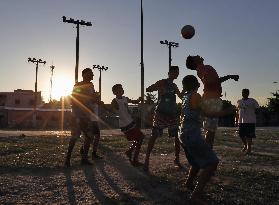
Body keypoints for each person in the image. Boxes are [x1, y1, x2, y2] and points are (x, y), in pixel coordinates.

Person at [179, 75, 231, 204]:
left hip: (183, 134)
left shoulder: (185, 97)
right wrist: (226, 111)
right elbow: (208, 113)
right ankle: (196, 195)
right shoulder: (196, 96)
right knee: (212, 162)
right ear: (196, 85)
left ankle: (189, 183)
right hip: (192, 135)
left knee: (196, 163)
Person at [186, 55, 239, 148]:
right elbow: (210, 81)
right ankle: (207, 153)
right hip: (210, 99)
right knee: (210, 130)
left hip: (212, 98)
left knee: (211, 130)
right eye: (195, 57)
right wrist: (229, 76)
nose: (198, 55)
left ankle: (207, 152)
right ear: (195, 62)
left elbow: (214, 81)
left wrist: (229, 77)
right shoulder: (201, 69)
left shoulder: (204, 68)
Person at [143, 66, 182, 171]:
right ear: (169, 73)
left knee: (177, 137)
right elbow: (148, 89)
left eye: (177, 73)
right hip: (160, 113)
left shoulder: (174, 85)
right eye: (174, 72)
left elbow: (181, 96)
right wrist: (159, 88)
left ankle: (176, 159)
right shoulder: (162, 82)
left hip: (172, 114)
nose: (176, 74)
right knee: (154, 136)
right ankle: (146, 159)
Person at [64, 68, 101, 167]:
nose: (92, 76)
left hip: (87, 115)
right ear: (84, 75)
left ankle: (84, 158)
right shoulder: (78, 85)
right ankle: (67, 159)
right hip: (77, 115)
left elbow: (92, 99)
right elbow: (74, 98)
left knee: (89, 136)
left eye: (92, 74)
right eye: (90, 74)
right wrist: (91, 98)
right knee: (74, 137)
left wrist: (96, 99)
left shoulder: (91, 86)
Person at [111, 84, 145, 166]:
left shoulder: (125, 98)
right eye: (119, 89)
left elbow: (134, 102)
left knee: (139, 138)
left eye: (122, 88)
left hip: (130, 122)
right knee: (140, 138)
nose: (122, 90)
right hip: (125, 124)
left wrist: (138, 100)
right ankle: (134, 159)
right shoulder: (114, 101)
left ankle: (130, 152)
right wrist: (113, 108)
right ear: (114, 92)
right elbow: (112, 109)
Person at [235, 89, 259, 154]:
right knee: (241, 135)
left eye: (246, 93)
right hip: (241, 121)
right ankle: (245, 145)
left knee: (249, 135)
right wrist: (236, 120)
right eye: (243, 92)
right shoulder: (239, 101)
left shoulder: (252, 101)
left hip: (250, 121)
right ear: (242, 93)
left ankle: (249, 148)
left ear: (248, 93)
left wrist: (253, 114)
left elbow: (257, 109)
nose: (244, 94)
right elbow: (237, 111)